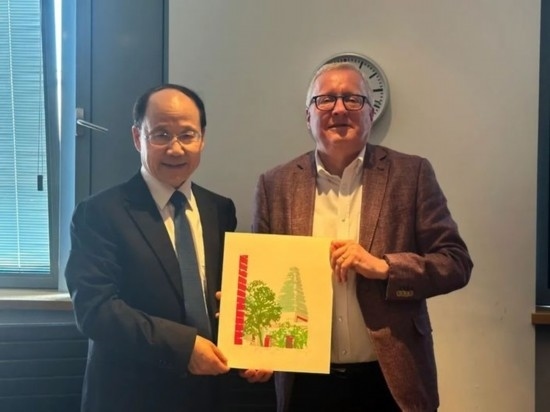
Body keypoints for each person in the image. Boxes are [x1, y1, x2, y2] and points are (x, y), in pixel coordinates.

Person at [252, 62, 473, 412]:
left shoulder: (411, 174)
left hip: (389, 380)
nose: (339, 109)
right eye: (325, 99)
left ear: (371, 113)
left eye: (352, 99)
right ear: (308, 116)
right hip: (306, 383)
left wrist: (385, 268)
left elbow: (455, 263)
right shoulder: (275, 184)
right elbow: (264, 277)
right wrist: (254, 333)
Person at [65, 83, 270, 412]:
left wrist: (257, 349)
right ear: (138, 138)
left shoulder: (219, 209)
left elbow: (229, 295)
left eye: (187, 135)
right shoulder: (99, 213)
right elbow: (95, 310)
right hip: (131, 396)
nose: (176, 149)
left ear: (202, 138)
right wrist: (184, 348)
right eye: (161, 134)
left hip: (210, 394)